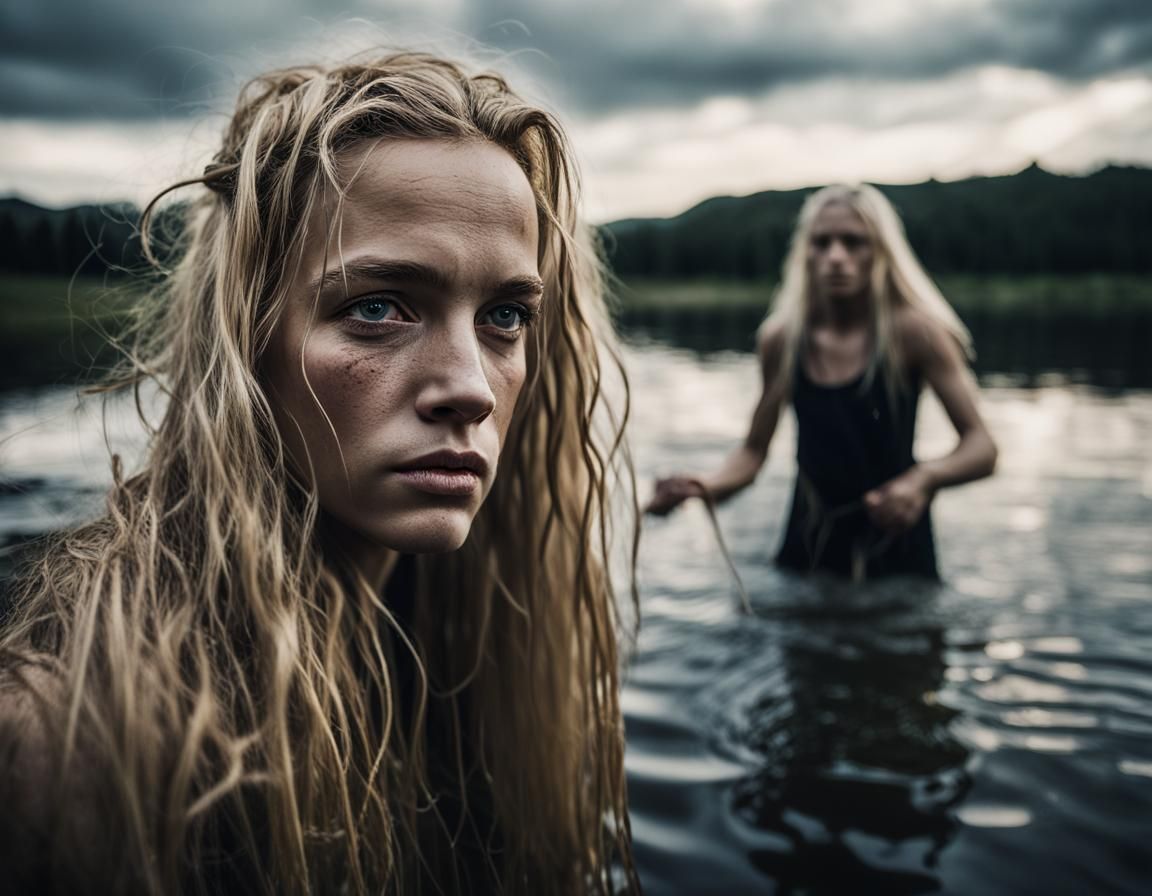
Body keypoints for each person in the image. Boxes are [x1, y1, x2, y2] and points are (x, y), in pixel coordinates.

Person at [0, 52, 637, 895]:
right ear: (247, 340)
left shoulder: (478, 663)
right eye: (377, 308)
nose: (474, 390)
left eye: (505, 316)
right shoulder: (64, 735)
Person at [647, 184, 997, 581]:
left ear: (880, 252)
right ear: (805, 253)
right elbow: (752, 453)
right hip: (808, 541)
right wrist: (701, 487)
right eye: (822, 242)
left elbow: (982, 447)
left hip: (897, 536)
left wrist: (924, 480)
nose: (835, 257)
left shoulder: (915, 334)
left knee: (904, 641)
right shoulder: (782, 340)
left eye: (853, 243)